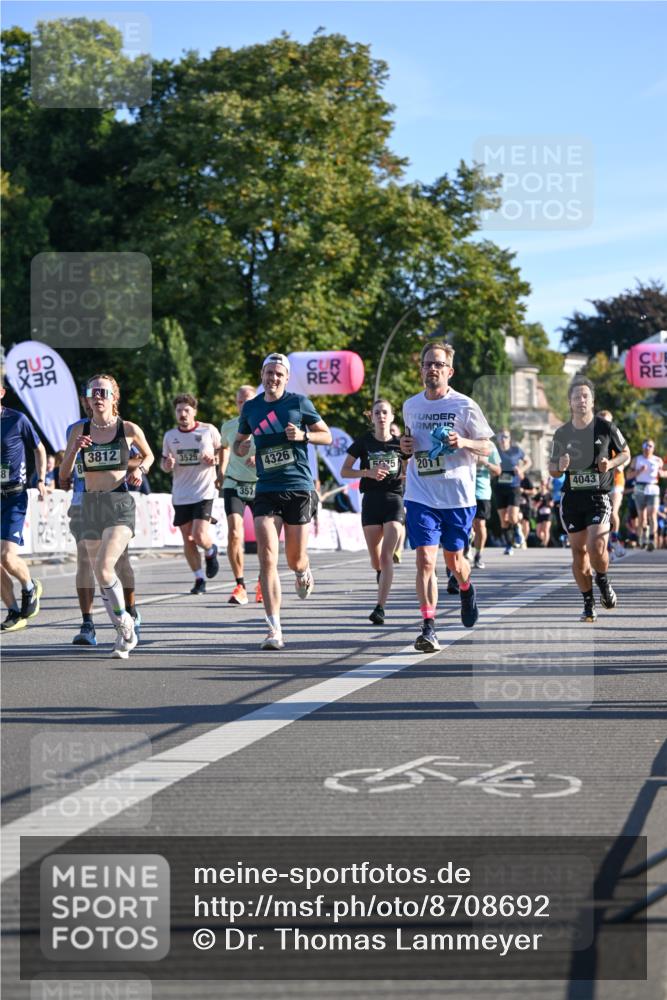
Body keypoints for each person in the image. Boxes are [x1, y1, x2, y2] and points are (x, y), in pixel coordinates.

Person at [234, 353, 332, 651]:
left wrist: (303, 435)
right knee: (266, 556)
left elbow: (326, 436)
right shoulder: (251, 408)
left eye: (278, 374)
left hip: (298, 487)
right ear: (261, 374)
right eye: (268, 373)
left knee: (294, 559)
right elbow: (238, 446)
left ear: (286, 377)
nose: (273, 378)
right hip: (265, 488)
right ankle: (274, 628)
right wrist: (244, 446)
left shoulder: (299, 403)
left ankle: (303, 571)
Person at [400, 342, 493, 652]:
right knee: (425, 559)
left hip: (457, 496)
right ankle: (428, 627)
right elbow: (410, 444)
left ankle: (466, 588)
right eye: (428, 364)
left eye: (438, 364)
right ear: (422, 369)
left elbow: (487, 448)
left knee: (454, 561)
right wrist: (405, 447)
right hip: (420, 493)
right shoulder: (410, 405)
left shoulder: (465, 406)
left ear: (449, 371)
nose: (432, 369)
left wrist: (463, 440)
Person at [60, 374, 154, 658]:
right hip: (89, 504)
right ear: (87, 399)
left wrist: (139, 470)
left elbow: (148, 456)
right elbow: (64, 475)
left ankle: (125, 622)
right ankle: (122, 627)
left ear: (114, 397)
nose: (97, 396)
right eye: (92, 392)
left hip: (118, 502)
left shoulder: (127, 428)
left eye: (103, 391)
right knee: (99, 572)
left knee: (104, 567)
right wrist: (75, 450)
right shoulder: (79, 430)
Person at [549, 378, 630, 622]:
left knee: (596, 545)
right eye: (576, 397)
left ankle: (603, 581)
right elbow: (552, 469)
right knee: (578, 553)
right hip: (572, 498)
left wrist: (611, 464)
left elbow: (626, 453)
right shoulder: (562, 432)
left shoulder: (606, 427)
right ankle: (588, 601)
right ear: (570, 402)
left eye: (585, 396)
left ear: (592, 401)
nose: (581, 400)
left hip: (598, 496)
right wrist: (559, 467)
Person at [340, 399, 406, 624]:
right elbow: (345, 471)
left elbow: (411, 472)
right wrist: (367, 473)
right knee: (376, 559)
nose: (381, 416)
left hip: (394, 500)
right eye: (377, 412)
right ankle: (380, 573)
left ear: (392, 417)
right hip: (371, 501)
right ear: (372, 417)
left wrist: (402, 475)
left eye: (385, 412)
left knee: (387, 555)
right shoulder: (363, 442)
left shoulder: (401, 445)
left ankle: (380, 607)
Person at [161, 394, 221, 595]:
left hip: (204, 490)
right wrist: (167, 465)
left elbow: (223, 452)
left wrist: (215, 459)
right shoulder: (170, 436)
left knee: (198, 535)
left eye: (187, 410)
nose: (183, 414)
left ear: (194, 411)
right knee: (187, 539)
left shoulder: (208, 431)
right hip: (181, 493)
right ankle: (199, 578)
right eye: (179, 410)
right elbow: (164, 463)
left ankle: (211, 550)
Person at [1, 382, 47, 631]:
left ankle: (30, 587)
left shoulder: (17, 419)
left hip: (13, 497)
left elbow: (39, 449)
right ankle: (14, 611)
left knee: (7, 557)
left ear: (1, 393)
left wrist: (40, 479)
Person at [219, 385, 262, 605]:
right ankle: (240, 585)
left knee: (265, 536)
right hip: (234, 483)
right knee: (235, 533)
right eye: (240, 402)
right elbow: (224, 447)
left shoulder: (265, 424)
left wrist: (260, 458)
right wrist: (221, 470)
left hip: (260, 486)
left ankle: (264, 581)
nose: (244, 405)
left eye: (248, 401)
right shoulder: (228, 427)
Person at [493, 429, 531, 554]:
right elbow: (488, 466)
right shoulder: (495, 452)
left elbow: (528, 461)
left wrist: (521, 469)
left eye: (505, 437)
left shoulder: (516, 450)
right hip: (499, 487)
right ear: (498, 440)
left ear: (509, 439)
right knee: (503, 520)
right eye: (500, 437)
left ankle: (517, 528)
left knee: (513, 516)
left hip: (514, 487)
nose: (503, 439)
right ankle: (509, 545)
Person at [597, 409, 628, 559]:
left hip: (616, 481)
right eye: (602, 421)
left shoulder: (615, 433)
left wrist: (620, 465)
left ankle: (614, 540)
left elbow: (627, 454)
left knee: (612, 512)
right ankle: (607, 546)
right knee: (603, 514)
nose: (605, 424)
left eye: (607, 421)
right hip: (600, 482)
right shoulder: (593, 435)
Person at [627, 439, 666, 551]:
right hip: (639, 487)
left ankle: (652, 541)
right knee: (642, 517)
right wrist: (638, 472)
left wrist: (662, 473)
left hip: (653, 487)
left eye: (650, 446)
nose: (648, 448)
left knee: (652, 515)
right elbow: (628, 475)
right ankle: (642, 540)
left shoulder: (657, 460)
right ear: (643, 447)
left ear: (653, 448)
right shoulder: (637, 459)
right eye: (646, 445)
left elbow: (665, 473)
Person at [471, 443, 500, 569]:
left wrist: (485, 463)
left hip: (482, 492)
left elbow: (498, 471)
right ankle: (466, 548)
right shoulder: (464, 440)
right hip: (464, 490)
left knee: (480, 524)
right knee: (466, 524)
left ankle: (478, 554)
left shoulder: (490, 446)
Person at [533, 478, 554, 548]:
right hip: (540, 514)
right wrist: (539, 503)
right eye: (541, 484)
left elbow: (552, 504)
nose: (542, 486)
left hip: (548, 514)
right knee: (538, 532)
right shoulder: (538, 495)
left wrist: (549, 503)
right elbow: (534, 505)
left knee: (546, 529)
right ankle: (544, 540)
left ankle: (545, 544)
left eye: (544, 485)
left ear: (546, 485)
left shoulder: (549, 494)